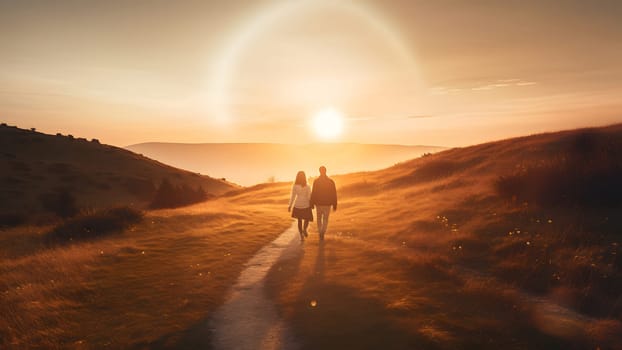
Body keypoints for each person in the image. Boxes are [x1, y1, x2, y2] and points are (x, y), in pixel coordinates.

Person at [310, 166, 337, 240]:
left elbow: (313, 193)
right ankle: (322, 232)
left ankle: (320, 232)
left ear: (320, 171)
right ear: (325, 171)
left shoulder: (316, 181)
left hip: (318, 204)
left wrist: (311, 203)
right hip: (327, 204)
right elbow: (334, 193)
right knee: (325, 219)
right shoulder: (331, 181)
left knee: (319, 219)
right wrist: (334, 204)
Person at [288, 171, 313, 240]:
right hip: (306, 205)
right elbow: (309, 197)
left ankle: (301, 235)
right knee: (307, 218)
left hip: (298, 205)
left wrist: (290, 205)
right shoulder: (307, 186)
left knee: (299, 220)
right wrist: (311, 203)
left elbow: (293, 196)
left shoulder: (295, 186)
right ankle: (305, 229)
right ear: (304, 177)